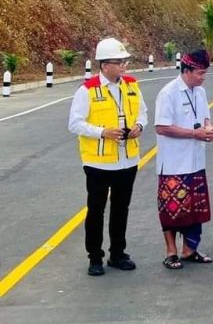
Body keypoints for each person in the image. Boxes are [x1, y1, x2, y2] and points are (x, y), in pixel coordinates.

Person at [68, 38, 148, 276]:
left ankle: (117, 253)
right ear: (104, 65)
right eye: (119, 62)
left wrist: (139, 127)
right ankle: (95, 257)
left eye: (125, 61)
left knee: (121, 208)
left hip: (127, 159)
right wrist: (102, 132)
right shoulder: (87, 90)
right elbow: (74, 123)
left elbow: (143, 112)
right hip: (98, 163)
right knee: (96, 210)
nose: (124, 66)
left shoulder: (132, 85)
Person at [154, 49, 213, 270]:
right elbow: (161, 127)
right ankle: (171, 252)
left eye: (205, 73)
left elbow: (205, 118)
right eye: (200, 73)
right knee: (172, 209)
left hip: (195, 162)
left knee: (195, 209)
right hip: (173, 163)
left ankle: (190, 250)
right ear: (187, 70)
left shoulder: (200, 92)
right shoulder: (169, 93)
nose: (203, 77)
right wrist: (194, 134)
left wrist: (209, 129)